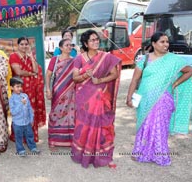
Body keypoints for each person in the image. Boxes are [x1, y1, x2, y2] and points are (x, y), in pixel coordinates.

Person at [126, 31, 192, 166]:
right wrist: (129, 97)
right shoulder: (144, 60)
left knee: (160, 127)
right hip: (145, 99)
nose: (166, 44)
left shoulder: (173, 60)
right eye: (162, 42)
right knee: (144, 125)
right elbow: (134, 80)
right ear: (154, 44)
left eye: (167, 42)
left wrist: (175, 83)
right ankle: (139, 151)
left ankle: (159, 155)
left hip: (164, 99)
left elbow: (189, 70)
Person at [71, 29, 121, 168]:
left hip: (100, 96)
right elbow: (75, 78)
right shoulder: (79, 58)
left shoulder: (106, 57)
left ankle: (102, 156)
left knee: (102, 125)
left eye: (97, 39)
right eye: (92, 40)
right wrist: (85, 76)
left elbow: (114, 74)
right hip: (84, 98)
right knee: (84, 125)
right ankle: (83, 154)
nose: (96, 41)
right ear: (86, 44)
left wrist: (100, 81)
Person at [9, 37, 46, 142]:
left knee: (30, 109)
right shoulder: (14, 56)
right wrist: (31, 74)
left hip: (31, 88)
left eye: (26, 44)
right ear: (18, 45)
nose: (24, 46)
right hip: (19, 88)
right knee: (19, 110)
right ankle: (18, 136)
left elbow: (36, 70)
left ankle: (31, 135)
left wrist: (32, 58)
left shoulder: (29, 56)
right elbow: (18, 72)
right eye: (22, 44)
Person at [45, 38, 75, 149]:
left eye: (70, 45)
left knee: (71, 115)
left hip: (71, 93)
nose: (69, 47)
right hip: (58, 91)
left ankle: (69, 141)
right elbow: (48, 75)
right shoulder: (55, 60)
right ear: (61, 48)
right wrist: (48, 89)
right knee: (56, 114)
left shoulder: (74, 60)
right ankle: (53, 141)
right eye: (67, 45)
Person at [9, 77, 41, 156]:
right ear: (12, 87)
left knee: (30, 134)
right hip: (17, 123)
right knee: (19, 137)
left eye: (20, 86)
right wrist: (21, 104)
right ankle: (20, 150)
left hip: (27, 121)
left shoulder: (25, 96)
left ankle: (32, 147)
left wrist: (31, 118)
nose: (20, 88)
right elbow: (13, 112)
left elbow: (29, 108)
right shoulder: (12, 99)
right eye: (17, 87)